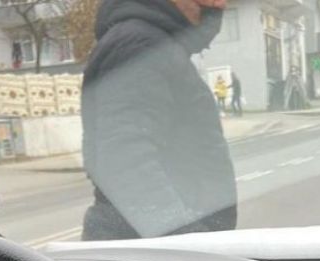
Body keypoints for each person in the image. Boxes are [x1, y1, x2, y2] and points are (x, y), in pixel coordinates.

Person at [81, 0, 238, 240]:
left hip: (151, 246)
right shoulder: (140, 46)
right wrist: (188, 243)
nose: (221, 4)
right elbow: (126, 161)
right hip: (146, 251)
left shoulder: (157, 46)